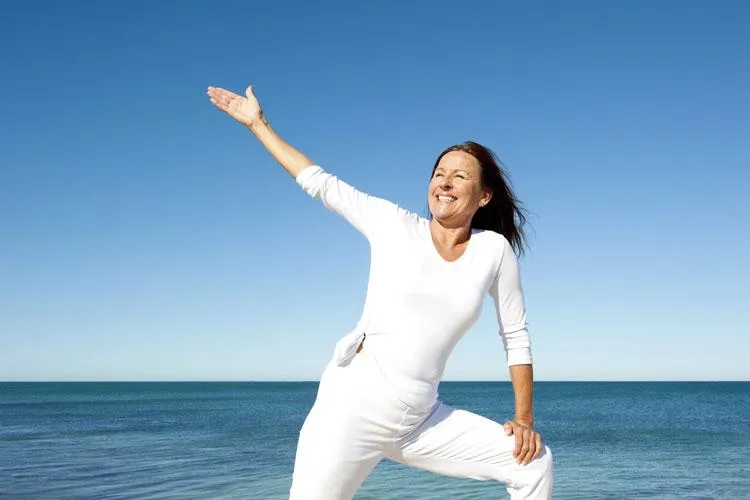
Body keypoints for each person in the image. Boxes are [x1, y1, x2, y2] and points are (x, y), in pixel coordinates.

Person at [207, 84, 553, 500]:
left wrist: (524, 418)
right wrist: (258, 125)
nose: (444, 183)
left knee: (532, 463)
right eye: (438, 173)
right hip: (350, 409)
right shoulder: (394, 225)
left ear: (484, 195)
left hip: (420, 419)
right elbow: (320, 183)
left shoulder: (493, 252)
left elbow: (515, 337)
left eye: (459, 176)